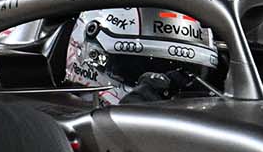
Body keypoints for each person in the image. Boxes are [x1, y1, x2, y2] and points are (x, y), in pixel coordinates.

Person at [61, 7, 222, 104]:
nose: (168, 90)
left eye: (187, 73)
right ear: (93, 55)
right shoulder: (49, 126)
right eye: (141, 68)